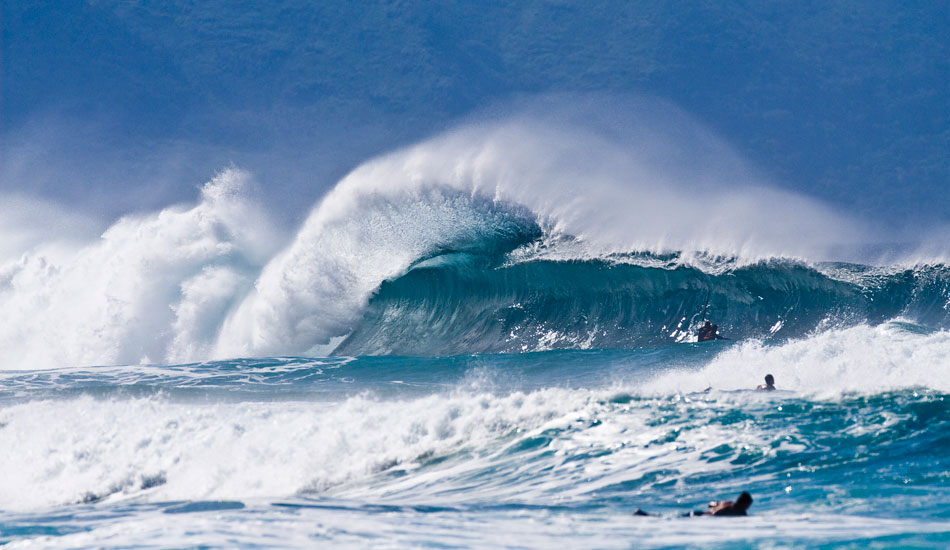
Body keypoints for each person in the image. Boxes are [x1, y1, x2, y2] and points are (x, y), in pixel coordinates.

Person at [634, 491, 753, 517]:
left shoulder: (727, 502)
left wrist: (716, 507)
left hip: (699, 513)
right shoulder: (741, 512)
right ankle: (643, 514)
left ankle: (643, 514)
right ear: (745, 503)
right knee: (672, 518)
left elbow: (711, 504)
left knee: (672, 517)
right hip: (703, 518)